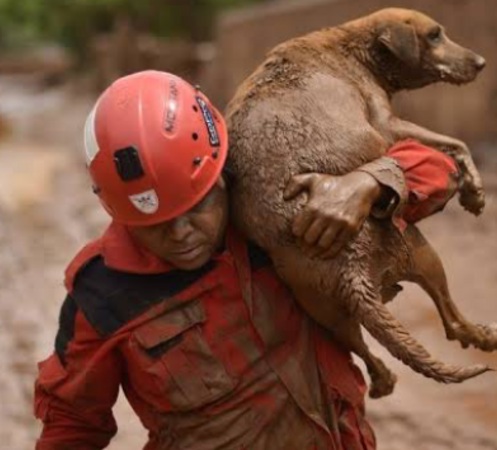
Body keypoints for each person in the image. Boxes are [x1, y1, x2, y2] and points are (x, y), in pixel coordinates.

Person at [33, 71, 459, 450]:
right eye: (156, 224)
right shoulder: (102, 295)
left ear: (222, 173)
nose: (182, 233)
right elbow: (72, 426)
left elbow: (441, 169)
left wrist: (368, 182)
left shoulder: (279, 202)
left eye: (196, 207)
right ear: (118, 213)